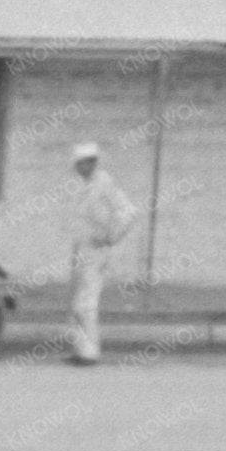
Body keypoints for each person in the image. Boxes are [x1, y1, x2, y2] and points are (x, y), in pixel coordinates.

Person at [65, 141, 139, 365]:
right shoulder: (83, 185)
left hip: (96, 251)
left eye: (85, 163)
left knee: (86, 303)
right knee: (76, 303)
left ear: (93, 163)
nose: (80, 167)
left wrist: (110, 237)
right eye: (78, 163)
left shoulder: (104, 183)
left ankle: (90, 352)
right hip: (81, 249)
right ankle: (80, 349)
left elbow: (128, 212)